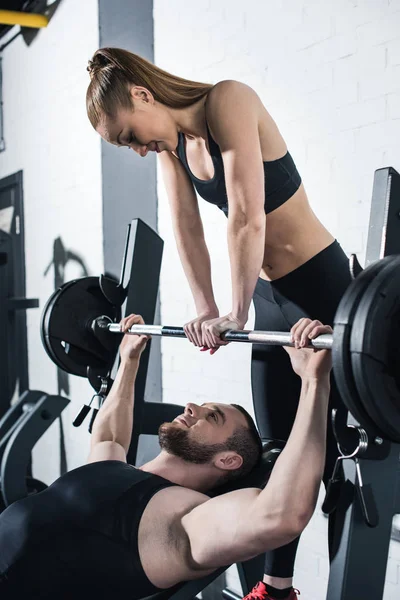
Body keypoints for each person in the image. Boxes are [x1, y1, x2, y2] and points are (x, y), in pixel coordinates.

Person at [85, 47, 352, 600]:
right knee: (280, 451)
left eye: (130, 136)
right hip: (271, 299)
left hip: (322, 290)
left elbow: (246, 215)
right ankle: (277, 590)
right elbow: (186, 228)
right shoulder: (172, 148)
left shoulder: (227, 100)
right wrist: (207, 307)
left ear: (142, 95)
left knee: (344, 455)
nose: (137, 150)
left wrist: (233, 310)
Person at [0, 314, 332, 600]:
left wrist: (314, 382)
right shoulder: (114, 469)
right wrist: (129, 358)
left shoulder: (185, 519)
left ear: (229, 460)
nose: (191, 408)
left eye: (212, 416)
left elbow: (279, 516)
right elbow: (109, 436)